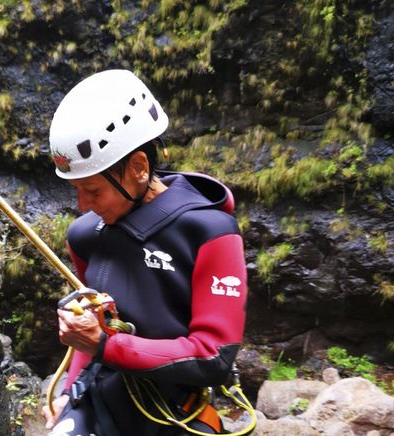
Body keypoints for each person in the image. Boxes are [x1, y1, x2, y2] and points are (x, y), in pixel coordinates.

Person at [42, 69, 248, 435]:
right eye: (76, 191)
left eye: (92, 190)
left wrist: (106, 344)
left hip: (170, 413)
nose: (82, 205)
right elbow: (91, 332)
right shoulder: (85, 236)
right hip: (99, 401)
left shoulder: (209, 233)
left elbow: (214, 355)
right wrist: (68, 393)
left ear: (137, 168)